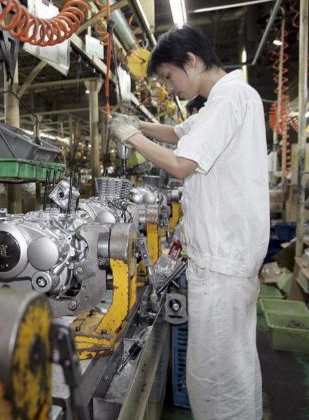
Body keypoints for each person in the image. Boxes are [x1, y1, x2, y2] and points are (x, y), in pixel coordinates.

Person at [108, 25, 268, 420]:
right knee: (227, 369)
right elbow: (179, 133)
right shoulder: (219, 102)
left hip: (222, 264)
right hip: (223, 262)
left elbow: (181, 164)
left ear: (192, 61)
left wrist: (132, 139)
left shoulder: (230, 98)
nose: (167, 87)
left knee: (218, 379)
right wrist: (139, 125)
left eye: (167, 77)